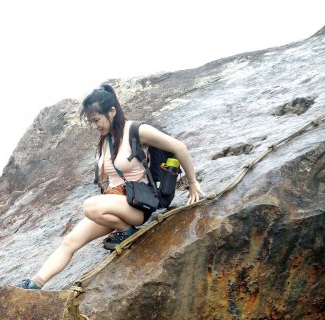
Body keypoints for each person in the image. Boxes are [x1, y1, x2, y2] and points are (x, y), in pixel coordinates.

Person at [17, 84, 204, 290]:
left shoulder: (136, 130)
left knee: (90, 206)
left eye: (97, 120)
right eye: (91, 122)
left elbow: (179, 147)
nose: (95, 126)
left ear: (112, 111)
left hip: (137, 205)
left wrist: (193, 184)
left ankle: (127, 231)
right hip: (113, 204)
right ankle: (35, 283)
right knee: (71, 240)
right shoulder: (105, 141)